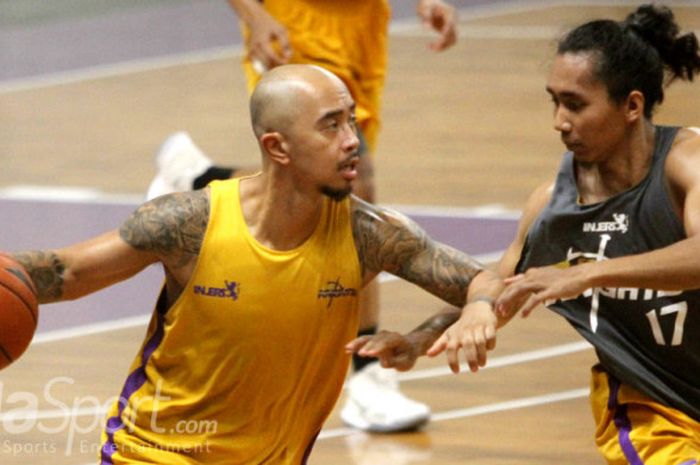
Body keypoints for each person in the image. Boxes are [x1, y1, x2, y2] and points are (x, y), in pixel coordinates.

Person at [12, 65, 496, 464]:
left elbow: (486, 284)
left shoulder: (369, 235)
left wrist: (427, 335)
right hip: (153, 456)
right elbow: (66, 272)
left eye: (352, 121)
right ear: (277, 147)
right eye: (332, 125)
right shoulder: (189, 223)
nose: (352, 140)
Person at [349, 4, 700, 464]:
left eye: (575, 104)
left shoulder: (686, 164)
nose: (559, 120)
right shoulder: (553, 205)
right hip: (652, 406)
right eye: (554, 100)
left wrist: (585, 275)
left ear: (632, 105)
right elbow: (502, 285)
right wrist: (422, 338)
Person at [146, 0, 459, 433]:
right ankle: (367, 376)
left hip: (362, 26)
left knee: (317, 180)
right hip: (294, 21)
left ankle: (198, 178)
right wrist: (255, 15)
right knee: (350, 181)